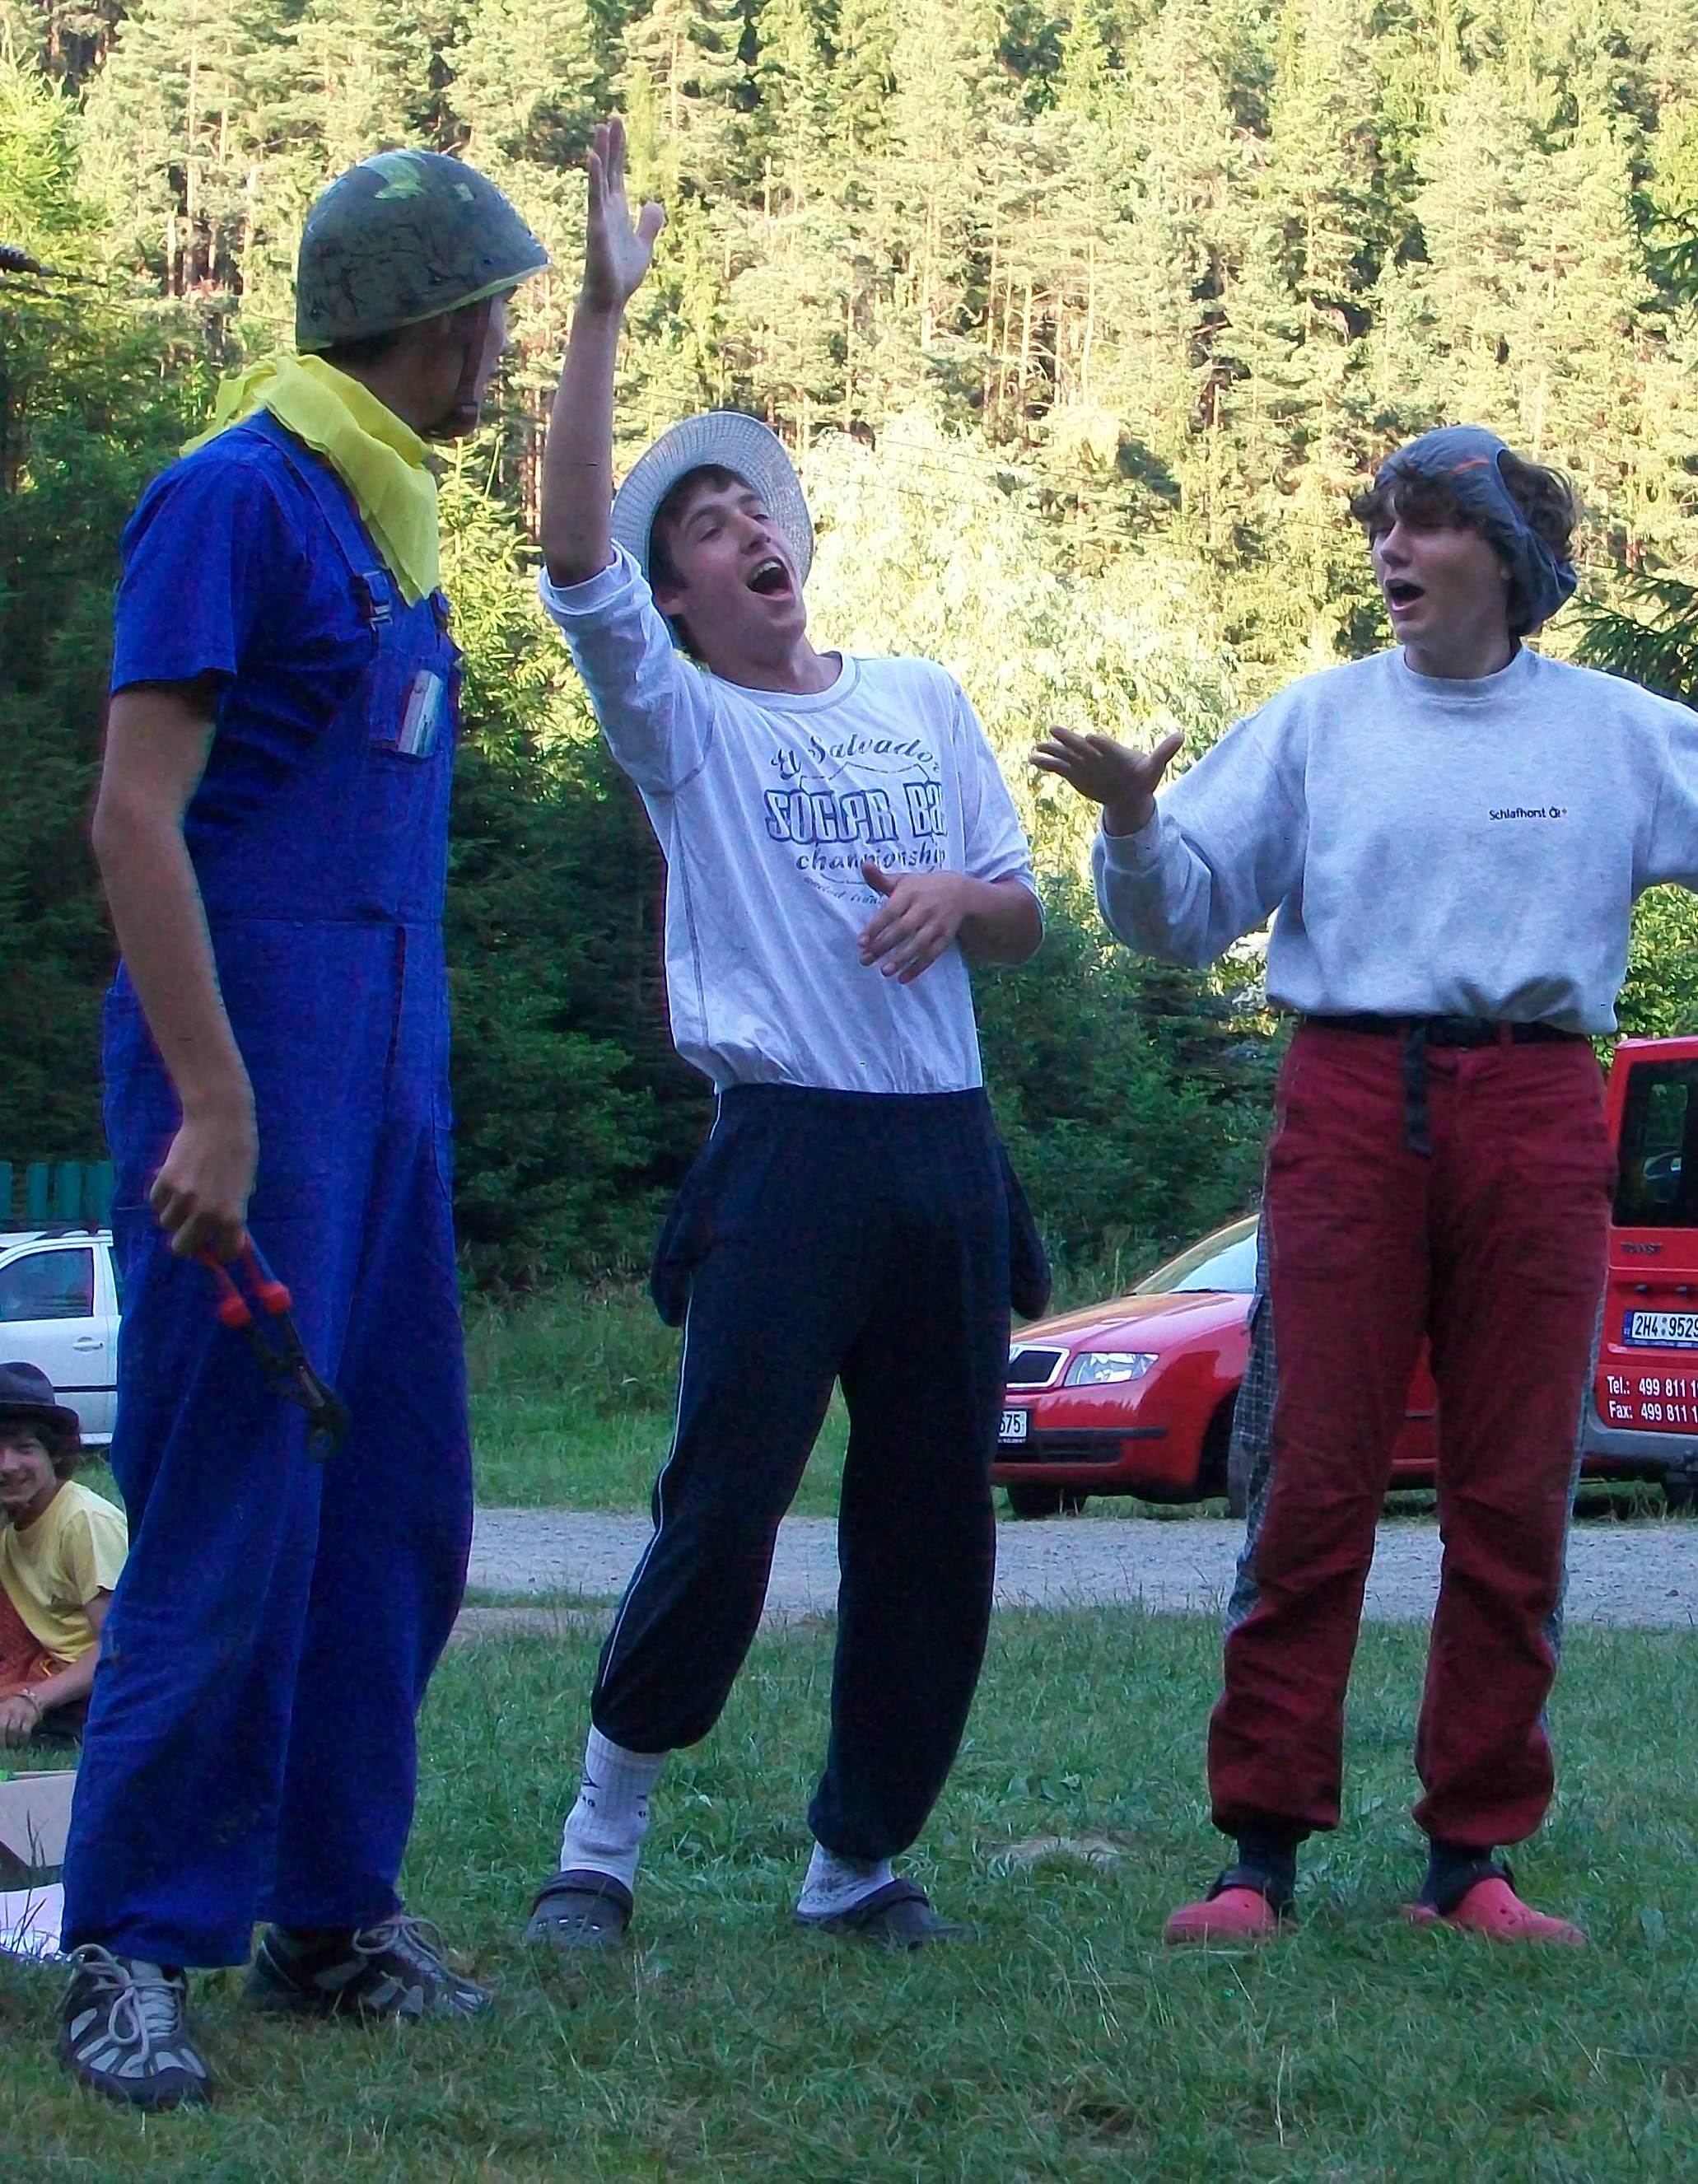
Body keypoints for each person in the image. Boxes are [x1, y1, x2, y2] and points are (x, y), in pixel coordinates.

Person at [1034, 422, 1698, 1948]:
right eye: (1381, 524)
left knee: (1514, 1485)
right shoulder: (1318, 723)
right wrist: (1131, 821)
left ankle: (1471, 1857)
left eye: (1426, 525)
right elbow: (1175, 916)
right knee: (1311, 1470)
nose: (1391, 551)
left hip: (1538, 1102)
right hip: (1346, 1098)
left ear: (1507, 559)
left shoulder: (1614, 733)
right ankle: (1255, 1856)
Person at [56, 149, 548, 2110]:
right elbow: (134, 815)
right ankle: (132, 1941)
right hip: (249, 1066)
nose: (503, 343)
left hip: (385, 1068)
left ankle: (331, 1915)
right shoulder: (237, 496)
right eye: (496, 311)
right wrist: (214, 1097)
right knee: (229, 1504)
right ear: (430, 317)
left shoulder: (383, 516)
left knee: (395, 1504)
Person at [525, 118, 1047, 1953]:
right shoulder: (682, 724)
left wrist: (957, 899)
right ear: (671, 599)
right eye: (704, 527)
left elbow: (1022, 908)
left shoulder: (918, 699)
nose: (746, 532)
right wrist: (601, 312)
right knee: (724, 1501)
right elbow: (567, 553)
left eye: (754, 512)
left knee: (931, 1522)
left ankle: (855, 1863)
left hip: (943, 1146)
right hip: (789, 1151)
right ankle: (598, 1848)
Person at [0, 1364, 127, 1748]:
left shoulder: (83, 1521)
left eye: (24, 1449)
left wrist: (33, 1699)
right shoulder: (10, 1520)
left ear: (54, 1454)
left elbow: (118, 1646)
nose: (7, 1466)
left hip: (90, 1686)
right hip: (37, 1666)